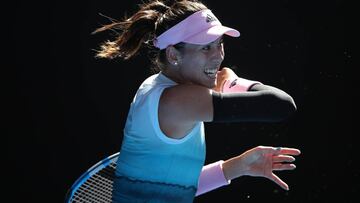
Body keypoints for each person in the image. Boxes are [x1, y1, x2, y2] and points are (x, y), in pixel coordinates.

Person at [93, 0, 301, 202]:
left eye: (219, 44)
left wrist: (238, 167)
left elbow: (171, 190)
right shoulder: (178, 100)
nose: (218, 56)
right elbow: (281, 105)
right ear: (174, 54)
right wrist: (232, 83)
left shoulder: (156, 86)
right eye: (205, 48)